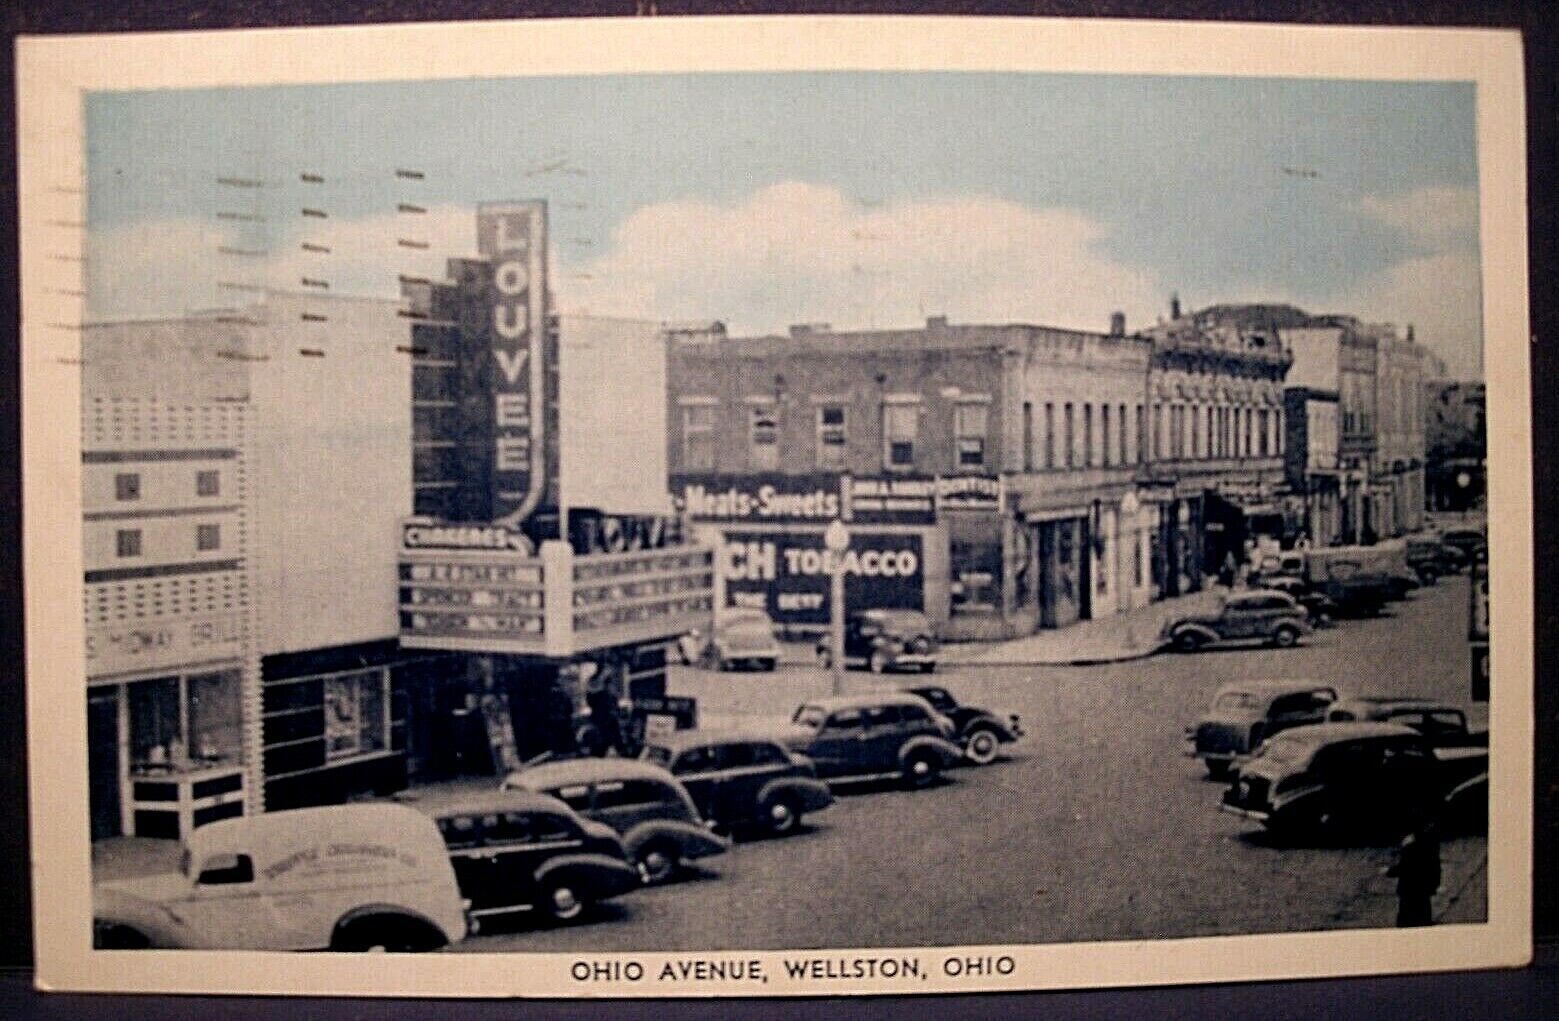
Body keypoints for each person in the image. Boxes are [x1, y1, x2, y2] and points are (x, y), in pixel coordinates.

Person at [1387, 821, 1442, 927]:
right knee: (1423, 919)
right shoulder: (1430, 841)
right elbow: (1435, 866)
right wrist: (1435, 885)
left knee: (1407, 922)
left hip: (1410, 890)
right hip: (1423, 889)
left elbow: (1406, 867)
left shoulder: (1412, 844)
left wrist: (1389, 871)